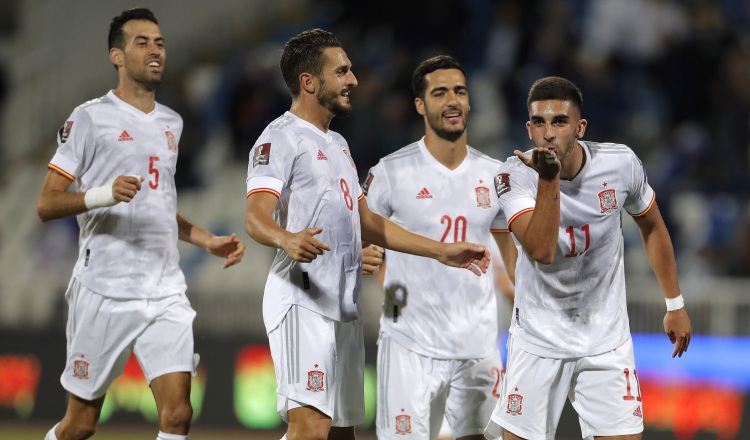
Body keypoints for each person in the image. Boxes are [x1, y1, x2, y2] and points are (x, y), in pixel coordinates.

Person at [244, 30, 491, 440]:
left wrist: (440, 251)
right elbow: (255, 217)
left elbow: (369, 222)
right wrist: (287, 239)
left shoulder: (338, 144)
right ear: (309, 82)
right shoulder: (280, 138)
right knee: (312, 427)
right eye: (341, 71)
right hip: (302, 299)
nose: (353, 80)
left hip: (342, 304)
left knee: (342, 431)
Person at [36, 8, 245, 440]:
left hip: (164, 289)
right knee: (81, 424)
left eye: (160, 43)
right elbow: (46, 203)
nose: (155, 50)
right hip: (105, 288)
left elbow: (159, 202)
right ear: (117, 55)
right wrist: (102, 194)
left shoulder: (172, 122)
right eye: (142, 42)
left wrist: (206, 240)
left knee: (178, 415)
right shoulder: (89, 118)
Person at [484, 76, 692, 440]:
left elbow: (653, 227)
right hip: (538, 340)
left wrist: (674, 303)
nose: (549, 133)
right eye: (540, 122)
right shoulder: (512, 176)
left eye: (560, 122)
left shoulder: (620, 164)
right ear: (529, 128)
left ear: (579, 127)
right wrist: (549, 180)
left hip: (605, 339)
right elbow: (542, 250)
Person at [361, 55, 516, 440]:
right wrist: (365, 257)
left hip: (476, 343)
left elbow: (512, 257)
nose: (453, 101)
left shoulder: (496, 175)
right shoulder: (390, 172)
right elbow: (361, 235)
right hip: (408, 342)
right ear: (420, 104)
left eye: (460, 92)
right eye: (440, 92)